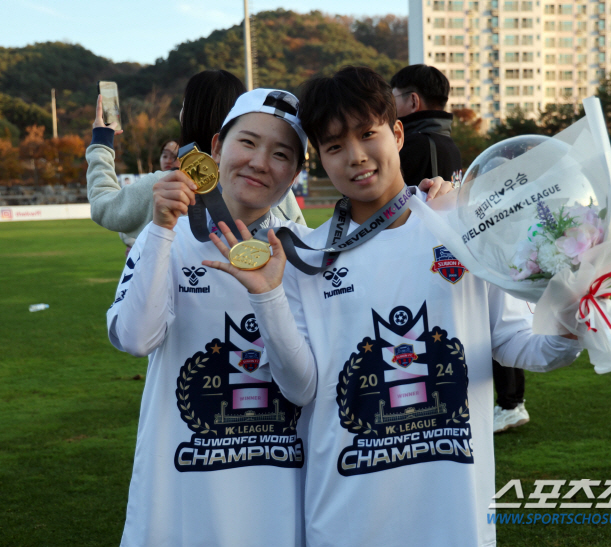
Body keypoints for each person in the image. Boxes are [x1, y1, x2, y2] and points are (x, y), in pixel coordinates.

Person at [205, 66, 581, 547]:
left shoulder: (462, 229)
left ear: (398, 132)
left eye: (368, 135)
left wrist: (573, 314)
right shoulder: (303, 255)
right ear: (319, 159)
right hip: (346, 518)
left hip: (455, 516)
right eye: (335, 146)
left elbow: (518, 345)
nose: (356, 158)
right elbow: (300, 388)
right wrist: (268, 295)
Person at [107, 89, 316, 547]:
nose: (260, 162)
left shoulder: (308, 253)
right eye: (248, 143)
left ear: (296, 173)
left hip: (277, 499)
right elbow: (135, 338)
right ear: (217, 147)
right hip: (180, 495)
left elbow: (302, 388)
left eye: (281, 153)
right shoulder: (165, 235)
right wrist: (162, 228)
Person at [86, 69, 306, 250]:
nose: (258, 163)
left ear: (190, 115)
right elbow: (299, 244)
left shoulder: (166, 187)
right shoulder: (269, 186)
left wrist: (102, 143)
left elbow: (103, 205)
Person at [390, 64, 462, 186]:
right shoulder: (452, 147)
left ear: (413, 101)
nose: (390, 108)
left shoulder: (413, 145)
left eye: (392, 100)